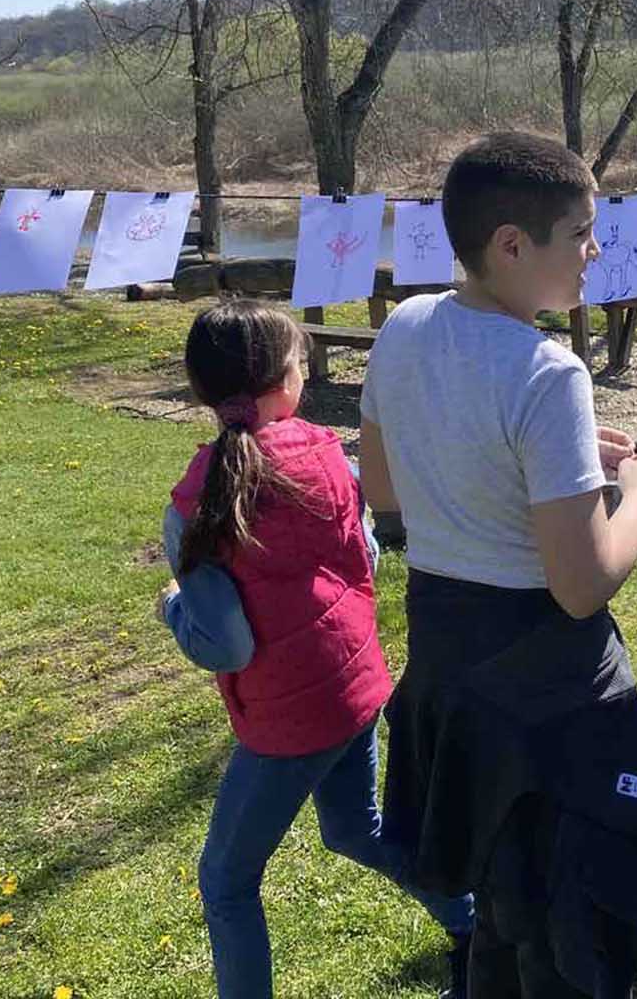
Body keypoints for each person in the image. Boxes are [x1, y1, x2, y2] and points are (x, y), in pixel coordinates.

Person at [359, 133, 637, 998]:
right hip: (548, 698)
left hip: (451, 674)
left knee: (502, 910)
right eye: (579, 233)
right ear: (511, 245)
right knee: (574, 938)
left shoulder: (402, 328)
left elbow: (386, 491)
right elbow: (581, 586)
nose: (595, 250)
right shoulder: (548, 372)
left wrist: (553, 464)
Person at [164, 300, 475, 999]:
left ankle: (476, 923)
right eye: (301, 362)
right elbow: (367, 554)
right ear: (284, 382)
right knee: (354, 830)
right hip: (354, 686)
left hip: (290, 720)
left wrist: (174, 609)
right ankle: (475, 922)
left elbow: (224, 643)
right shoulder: (333, 454)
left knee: (225, 880)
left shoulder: (193, 504)